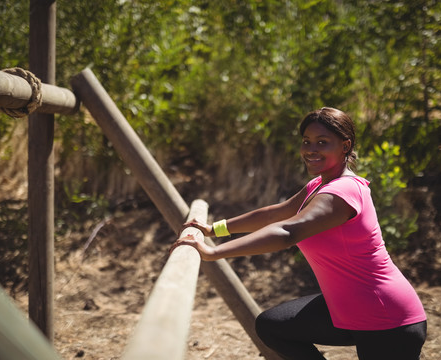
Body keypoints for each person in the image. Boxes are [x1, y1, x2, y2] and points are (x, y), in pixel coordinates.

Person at [171, 107, 427, 359]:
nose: (310, 149)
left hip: (387, 318)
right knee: (273, 326)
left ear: (345, 146)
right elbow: (276, 214)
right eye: (307, 141)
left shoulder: (343, 192)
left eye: (322, 142)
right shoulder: (320, 184)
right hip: (348, 310)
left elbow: (286, 231)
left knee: (275, 327)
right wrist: (214, 229)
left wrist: (213, 253)